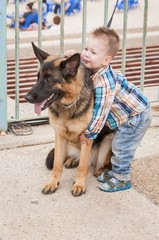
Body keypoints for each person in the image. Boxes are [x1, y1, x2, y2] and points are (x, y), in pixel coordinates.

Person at [64, 27, 152, 193]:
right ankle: (114, 171)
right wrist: (72, 56)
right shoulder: (96, 66)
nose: (86, 54)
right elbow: (83, 64)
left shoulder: (104, 84)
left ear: (106, 60)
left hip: (136, 117)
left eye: (93, 52)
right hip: (128, 114)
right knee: (120, 145)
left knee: (121, 147)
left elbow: (99, 114)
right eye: (85, 49)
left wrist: (88, 134)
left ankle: (121, 178)